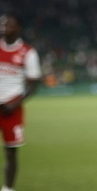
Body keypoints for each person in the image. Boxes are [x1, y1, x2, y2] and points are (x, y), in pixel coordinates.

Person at [0, 13, 41, 191]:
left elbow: (33, 84)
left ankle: (8, 189)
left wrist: (14, 104)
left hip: (12, 108)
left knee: (11, 151)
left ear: (18, 28)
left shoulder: (28, 52)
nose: (4, 28)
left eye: (8, 24)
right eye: (2, 24)